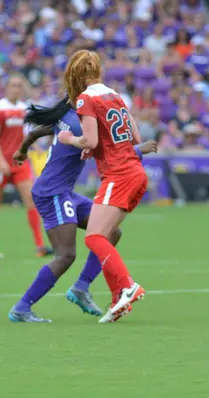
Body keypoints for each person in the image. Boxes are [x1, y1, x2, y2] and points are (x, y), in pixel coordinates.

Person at [7, 96, 158, 322]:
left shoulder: (68, 118)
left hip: (63, 191)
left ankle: (81, 287)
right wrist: (138, 150)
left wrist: (22, 151)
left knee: (111, 233)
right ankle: (21, 308)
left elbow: (35, 133)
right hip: (52, 193)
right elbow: (103, 152)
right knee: (66, 255)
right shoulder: (81, 124)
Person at [57, 50, 149, 323]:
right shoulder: (114, 95)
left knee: (94, 237)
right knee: (105, 235)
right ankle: (117, 297)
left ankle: (127, 286)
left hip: (119, 174)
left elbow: (90, 141)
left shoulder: (86, 97)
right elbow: (134, 136)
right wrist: (98, 146)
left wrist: (70, 139)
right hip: (135, 172)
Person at [0, 74, 52, 258]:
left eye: (19, 86)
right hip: (0, 164)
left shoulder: (23, 109)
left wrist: (33, 146)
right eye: (13, 85)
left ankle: (40, 246)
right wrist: (1, 161)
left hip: (19, 163)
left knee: (31, 201)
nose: (16, 89)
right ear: (7, 87)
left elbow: (24, 135)